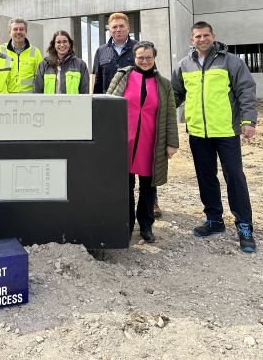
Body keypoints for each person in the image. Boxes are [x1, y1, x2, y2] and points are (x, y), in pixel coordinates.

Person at [171, 21, 257, 253]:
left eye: (205, 35)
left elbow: (246, 90)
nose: (202, 39)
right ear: (192, 40)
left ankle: (245, 227)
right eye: (197, 36)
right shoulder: (184, 65)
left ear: (213, 36)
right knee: (205, 177)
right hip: (198, 132)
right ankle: (214, 220)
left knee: (235, 177)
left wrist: (248, 121)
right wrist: (160, 118)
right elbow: (175, 95)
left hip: (226, 131)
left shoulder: (231, 61)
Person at [107, 41, 179, 243]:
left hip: (151, 143)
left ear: (154, 58)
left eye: (148, 57)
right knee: (125, 186)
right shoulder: (123, 76)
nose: (144, 61)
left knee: (148, 187)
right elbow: (107, 104)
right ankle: (126, 225)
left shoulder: (163, 84)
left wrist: (171, 143)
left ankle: (146, 226)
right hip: (124, 142)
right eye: (140, 57)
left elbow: (170, 116)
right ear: (134, 58)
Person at [4, 18, 42, 93]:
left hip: (28, 99)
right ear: (9, 32)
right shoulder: (0, 51)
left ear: (26, 32)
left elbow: (40, 78)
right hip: (7, 99)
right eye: (15, 29)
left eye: (21, 29)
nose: (18, 32)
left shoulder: (35, 52)